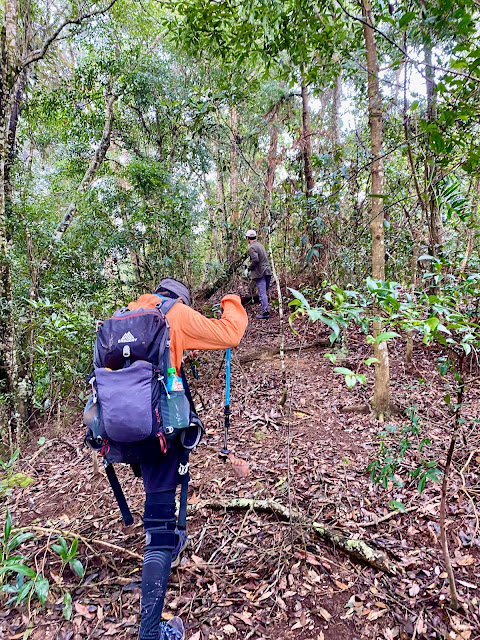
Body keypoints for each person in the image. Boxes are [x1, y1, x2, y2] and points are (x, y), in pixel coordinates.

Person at [129, 278, 248, 640]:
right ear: (180, 299)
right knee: (160, 525)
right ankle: (150, 632)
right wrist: (231, 300)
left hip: (126, 429)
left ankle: (170, 542)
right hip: (160, 428)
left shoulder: (130, 313)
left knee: (160, 494)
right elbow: (230, 334)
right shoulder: (176, 315)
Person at [245, 230, 272, 319]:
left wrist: (248, 269)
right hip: (267, 271)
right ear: (255, 237)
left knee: (262, 293)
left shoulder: (252, 247)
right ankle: (266, 310)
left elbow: (255, 260)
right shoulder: (260, 245)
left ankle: (265, 313)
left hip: (260, 273)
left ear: (247, 238)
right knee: (264, 292)